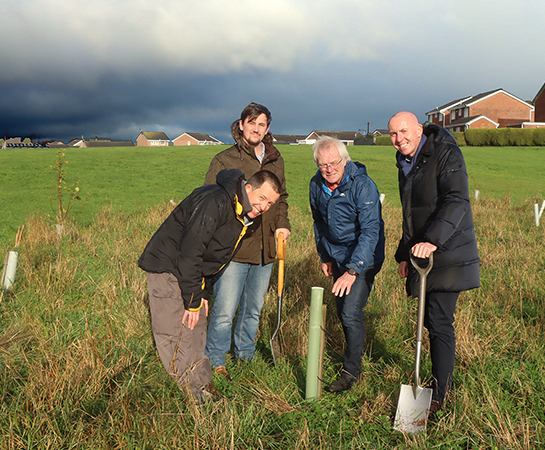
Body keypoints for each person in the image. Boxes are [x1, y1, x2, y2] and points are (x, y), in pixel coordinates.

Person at [138, 169, 283, 404]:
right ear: (248, 187)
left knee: (197, 329)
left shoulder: (244, 214)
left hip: (191, 272)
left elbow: (214, 257)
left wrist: (202, 293)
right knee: (175, 329)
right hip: (167, 266)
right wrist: (193, 299)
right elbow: (191, 251)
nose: (264, 207)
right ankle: (192, 395)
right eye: (262, 198)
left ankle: (204, 384)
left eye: (270, 203)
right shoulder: (214, 201)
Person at [388, 111, 480, 419]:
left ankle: (440, 394)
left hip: (448, 250)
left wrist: (434, 241)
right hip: (424, 253)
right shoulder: (407, 162)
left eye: (403, 132)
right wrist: (404, 254)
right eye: (392, 135)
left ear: (418, 130)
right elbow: (412, 215)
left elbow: (456, 200)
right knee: (430, 321)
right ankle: (436, 381)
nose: (398, 139)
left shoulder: (445, 153)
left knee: (439, 322)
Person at [204, 103, 290, 379]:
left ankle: (245, 355)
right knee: (225, 310)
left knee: (253, 309)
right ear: (241, 125)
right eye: (251, 123)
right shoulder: (224, 160)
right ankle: (216, 359)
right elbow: (211, 201)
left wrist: (282, 225)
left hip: (266, 249)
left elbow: (282, 199)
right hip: (234, 248)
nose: (256, 128)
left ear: (267, 129)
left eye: (262, 124)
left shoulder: (276, 159)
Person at [309, 136, 385, 393]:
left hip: (364, 257)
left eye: (334, 163)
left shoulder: (363, 186)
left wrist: (353, 270)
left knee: (350, 312)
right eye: (323, 165)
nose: (329, 169)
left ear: (344, 160)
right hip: (337, 256)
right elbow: (319, 223)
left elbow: (370, 232)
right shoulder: (316, 185)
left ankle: (351, 373)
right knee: (342, 310)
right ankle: (352, 352)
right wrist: (325, 256)